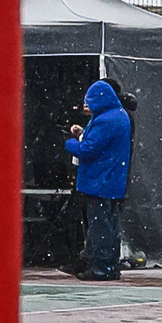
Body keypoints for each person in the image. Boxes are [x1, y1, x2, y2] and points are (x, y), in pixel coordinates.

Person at [63, 77, 132, 280]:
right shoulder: (119, 116)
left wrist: (70, 144)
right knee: (110, 227)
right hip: (112, 181)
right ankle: (110, 265)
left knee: (99, 227)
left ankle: (100, 267)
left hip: (99, 181)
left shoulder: (105, 119)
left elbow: (89, 149)